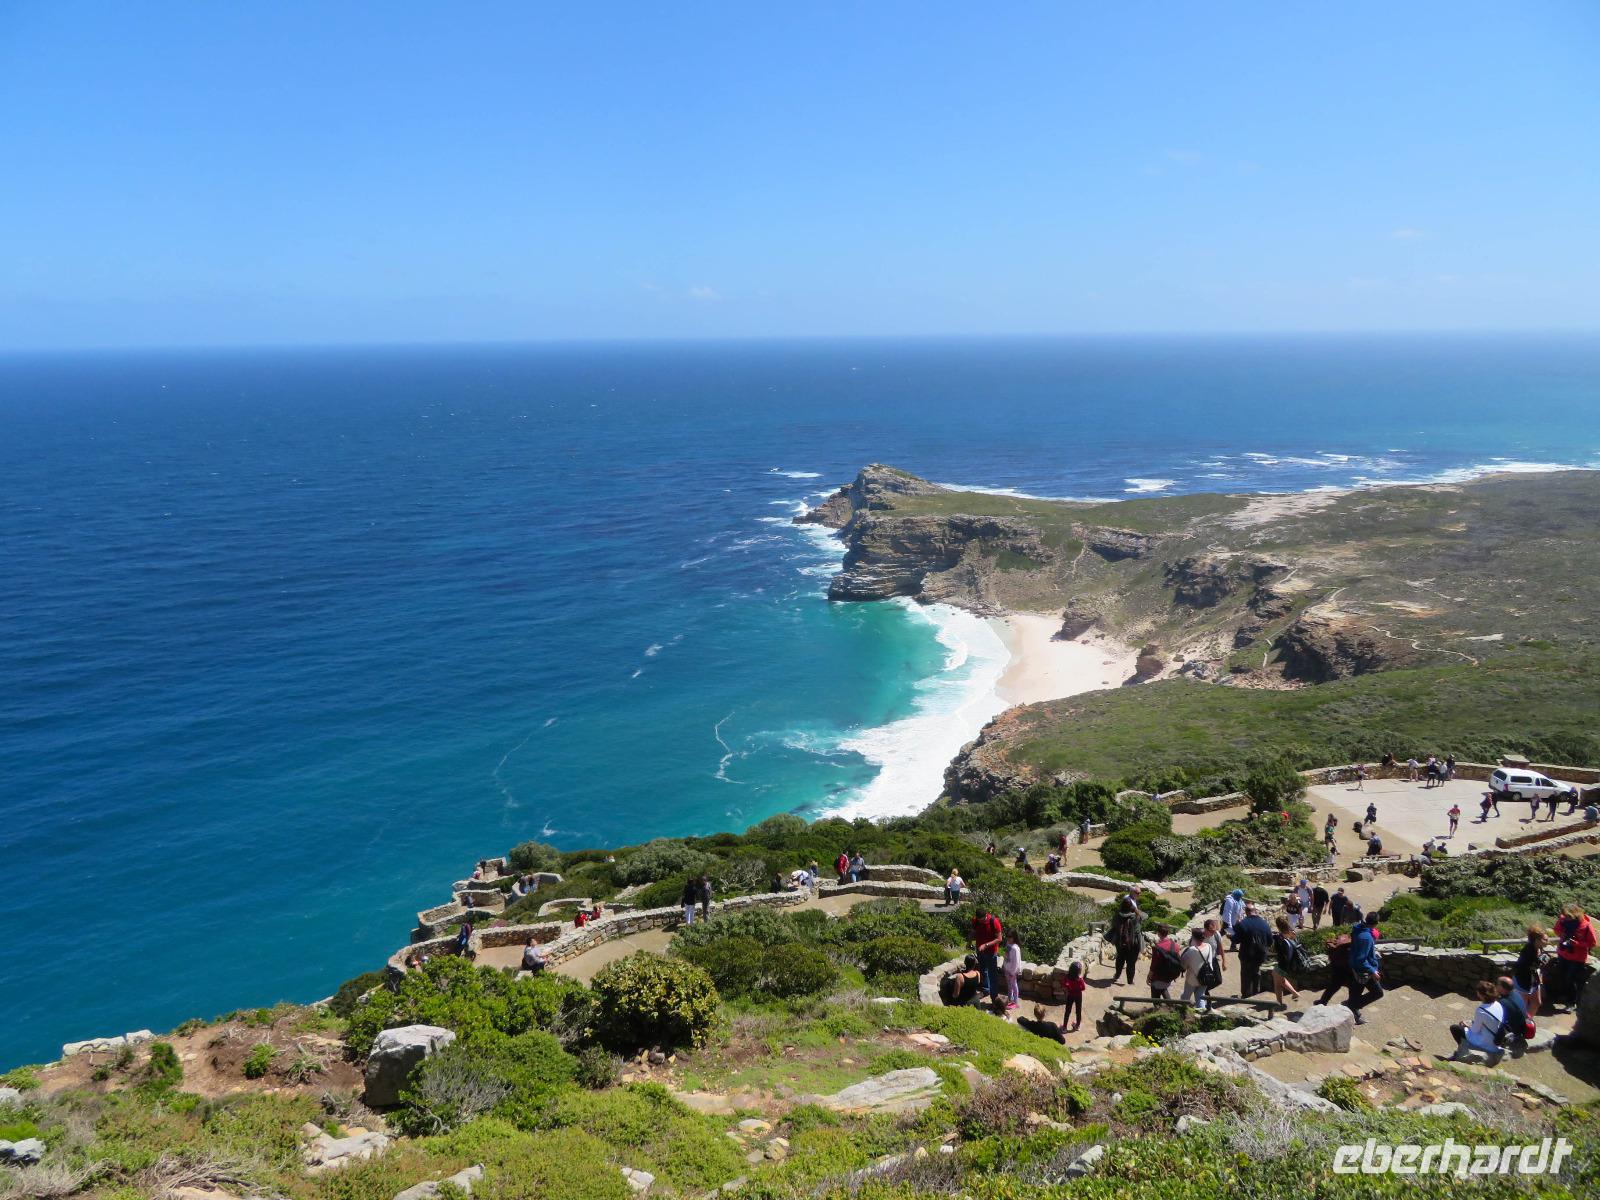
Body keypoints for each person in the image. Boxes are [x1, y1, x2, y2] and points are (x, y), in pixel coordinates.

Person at [1551, 903, 1596, 1009]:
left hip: (1577, 958)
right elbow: (1556, 929)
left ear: (1575, 914)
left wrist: (1576, 944)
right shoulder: (1563, 920)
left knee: (1571, 979)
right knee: (1562, 976)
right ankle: (1564, 996)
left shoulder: (1585, 925)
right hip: (1563, 953)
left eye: (1568, 916)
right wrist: (1562, 934)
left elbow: (1592, 943)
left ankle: (1572, 1001)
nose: (1565, 918)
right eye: (1565, 915)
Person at [1448, 981, 1505, 1061]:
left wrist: (1466, 1025)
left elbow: (1475, 1030)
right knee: (1466, 1024)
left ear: (1481, 995)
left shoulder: (1481, 1010)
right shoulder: (1498, 1004)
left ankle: (1462, 1051)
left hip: (1485, 1042)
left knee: (1455, 1028)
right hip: (1495, 1040)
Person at [1347, 911, 1385, 1024]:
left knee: (1355, 993)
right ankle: (1351, 1007)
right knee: (1378, 993)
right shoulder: (1366, 938)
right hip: (1363, 970)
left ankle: (1353, 1012)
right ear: (1376, 923)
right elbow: (1361, 959)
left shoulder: (1358, 928)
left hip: (1354, 967)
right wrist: (1372, 971)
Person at [1232, 903, 1274, 998]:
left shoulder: (1242, 923)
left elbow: (1236, 940)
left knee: (1246, 974)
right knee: (1256, 973)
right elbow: (1270, 941)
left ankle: (1246, 995)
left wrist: (1231, 936)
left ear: (1246, 912)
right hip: (1260, 954)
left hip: (1246, 954)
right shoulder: (1265, 924)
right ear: (1255, 911)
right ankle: (1256, 994)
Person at [1270, 916, 1306, 1006]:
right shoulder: (1291, 933)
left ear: (1278, 926)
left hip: (1283, 964)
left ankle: (1279, 1003)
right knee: (1279, 979)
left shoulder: (1278, 938)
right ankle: (1294, 993)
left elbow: (1274, 949)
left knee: (1277, 984)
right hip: (1289, 963)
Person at [1109, 896, 1144, 985]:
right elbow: (1139, 928)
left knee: (1120, 958)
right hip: (1134, 942)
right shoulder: (1136, 915)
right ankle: (1130, 981)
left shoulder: (1118, 915)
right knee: (1131, 963)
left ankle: (1117, 975)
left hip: (1120, 941)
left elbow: (1113, 924)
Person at [1180, 926, 1216, 1011]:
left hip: (1192, 979)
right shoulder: (1208, 946)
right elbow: (1210, 962)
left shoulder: (1191, 950)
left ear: (1194, 937)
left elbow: (1183, 965)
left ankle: (1183, 1013)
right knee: (1200, 997)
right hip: (1205, 977)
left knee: (1185, 997)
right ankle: (1201, 1015)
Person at [1515, 925, 1548, 1017]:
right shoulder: (1527, 951)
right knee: (1522, 1006)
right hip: (1523, 980)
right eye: (1544, 940)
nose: (1547, 942)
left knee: (1537, 1002)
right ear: (1537, 940)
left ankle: (1527, 1022)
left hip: (1534, 980)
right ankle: (1521, 1025)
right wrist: (1538, 963)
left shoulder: (1539, 948)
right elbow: (1524, 967)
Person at [1314, 929, 1353, 1006]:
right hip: (1345, 967)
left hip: (1337, 965)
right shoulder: (1355, 940)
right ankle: (1351, 1004)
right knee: (1352, 986)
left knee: (1335, 985)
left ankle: (1323, 1001)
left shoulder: (1346, 941)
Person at [972, 908, 1004, 997]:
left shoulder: (994, 921)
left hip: (991, 952)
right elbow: (973, 931)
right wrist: (969, 941)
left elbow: (999, 939)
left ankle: (994, 997)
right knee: (983, 971)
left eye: (982, 920)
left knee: (992, 974)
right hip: (980, 951)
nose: (981, 922)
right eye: (979, 920)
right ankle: (986, 990)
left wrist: (985, 945)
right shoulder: (976, 921)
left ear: (986, 916)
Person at [1147, 923, 1183, 1000]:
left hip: (1159, 976)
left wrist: (1149, 976)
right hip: (1170, 975)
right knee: (1163, 988)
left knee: (1155, 997)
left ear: (1158, 933)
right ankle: (1170, 1007)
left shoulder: (1157, 947)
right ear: (1168, 933)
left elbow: (1154, 965)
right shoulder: (1175, 945)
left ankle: (1158, 1009)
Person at [1496, 976, 1529, 1052]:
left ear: (1501, 987)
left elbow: (1498, 1020)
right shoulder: (1515, 993)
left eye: (1497, 984)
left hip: (1515, 1031)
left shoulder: (1504, 1002)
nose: (1495, 985)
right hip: (1522, 1026)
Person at [1060, 961, 1087, 1031]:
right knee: (1078, 1010)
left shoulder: (1067, 977)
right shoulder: (1080, 980)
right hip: (1078, 996)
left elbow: (1064, 984)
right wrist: (1077, 989)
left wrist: (1069, 987)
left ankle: (1064, 1027)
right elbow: (1083, 988)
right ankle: (1077, 1025)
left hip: (1070, 995)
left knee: (1067, 1011)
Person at [1002, 931, 1023, 1010]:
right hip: (1007, 969)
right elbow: (1006, 955)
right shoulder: (1008, 944)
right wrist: (1003, 965)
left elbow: (1016, 962)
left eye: (1010, 937)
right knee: (1009, 985)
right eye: (1007, 937)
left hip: (1012, 971)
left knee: (1014, 985)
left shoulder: (1015, 948)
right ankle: (1010, 999)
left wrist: (1013, 972)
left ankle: (1016, 1001)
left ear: (1014, 937)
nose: (1008, 938)